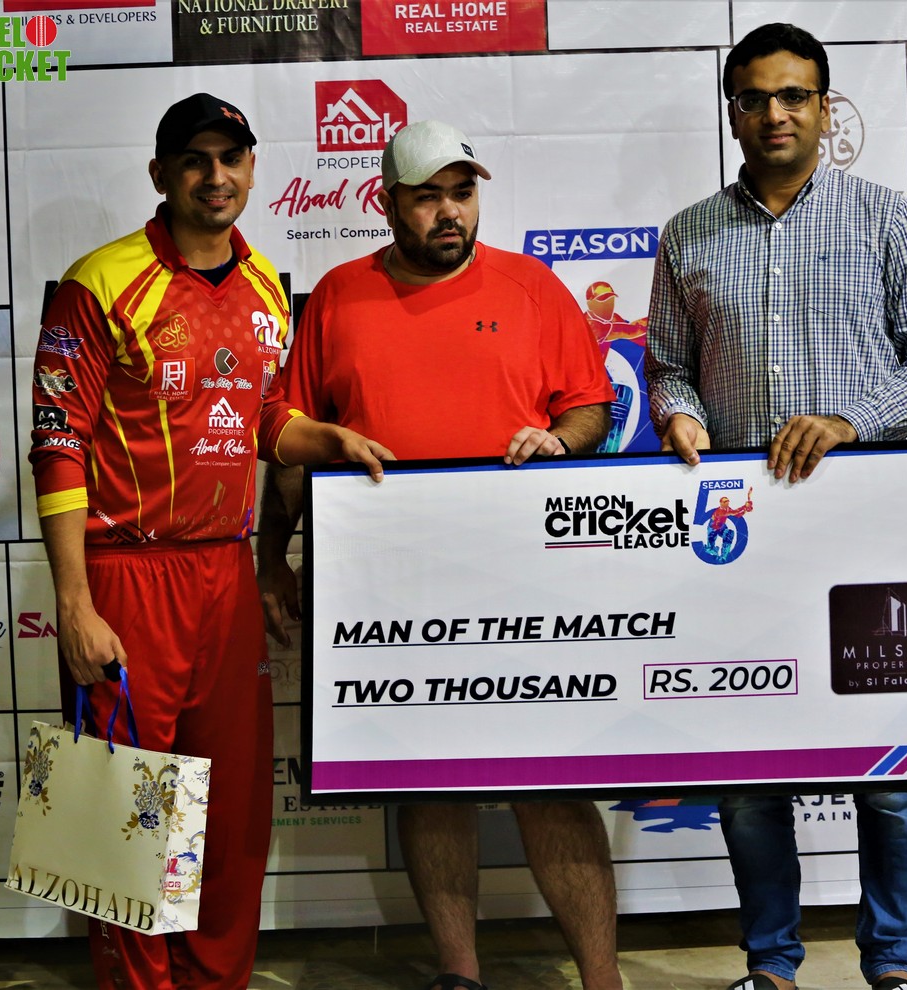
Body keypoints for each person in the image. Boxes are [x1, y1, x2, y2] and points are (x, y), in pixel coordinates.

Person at [28, 92, 387, 990]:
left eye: (231, 157)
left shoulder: (265, 283)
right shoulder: (97, 282)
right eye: (195, 159)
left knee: (229, 816)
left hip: (224, 571)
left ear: (253, 168)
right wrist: (74, 603)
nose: (215, 176)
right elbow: (57, 441)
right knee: (124, 817)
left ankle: (216, 982)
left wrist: (322, 437)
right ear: (161, 174)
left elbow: (263, 419)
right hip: (125, 575)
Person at [255, 119, 623, 990]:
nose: (450, 211)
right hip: (389, 585)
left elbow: (589, 406)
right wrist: (273, 556)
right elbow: (286, 433)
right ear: (388, 202)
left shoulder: (534, 287)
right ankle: (460, 975)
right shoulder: (338, 296)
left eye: (462, 192)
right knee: (429, 781)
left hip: (528, 580)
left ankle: (603, 980)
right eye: (427, 197)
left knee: (551, 781)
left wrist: (560, 441)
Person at [645, 23, 907, 990]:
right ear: (733, 113)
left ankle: (893, 965)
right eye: (755, 98)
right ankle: (772, 966)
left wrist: (851, 421)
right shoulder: (688, 233)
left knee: (889, 773)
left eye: (794, 96)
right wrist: (679, 414)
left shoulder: (885, 218)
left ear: (826, 108)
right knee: (748, 776)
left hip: (870, 534)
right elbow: (668, 367)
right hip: (740, 541)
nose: (775, 114)